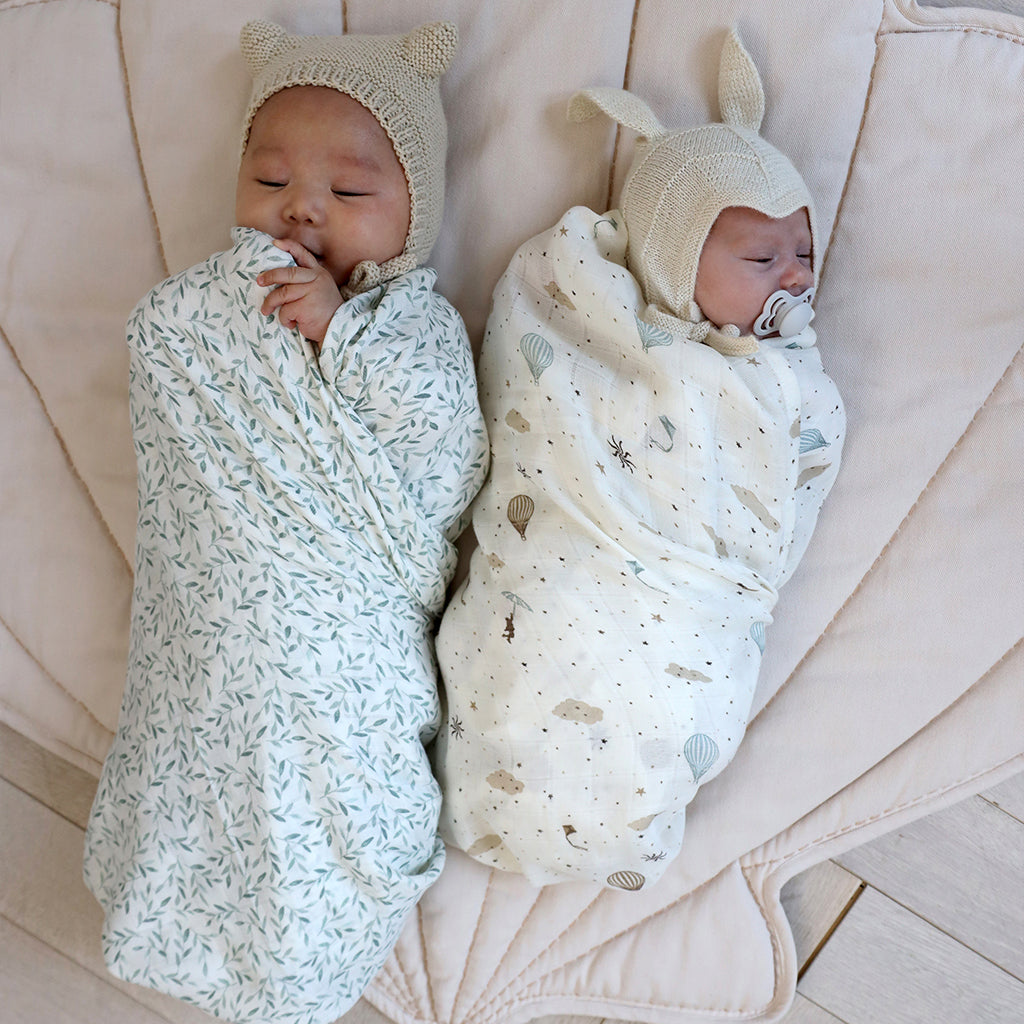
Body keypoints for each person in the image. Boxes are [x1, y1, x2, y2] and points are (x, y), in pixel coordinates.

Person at [83, 20, 488, 1024]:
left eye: (349, 192)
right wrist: (207, 330)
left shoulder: (413, 326)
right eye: (270, 181)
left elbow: (447, 458)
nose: (303, 207)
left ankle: (305, 944)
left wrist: (341, 335)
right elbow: (167, 368)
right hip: (210, 626)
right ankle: (177, 908)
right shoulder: (205, 316)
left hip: (340, 635)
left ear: (413, 212)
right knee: (198, 750)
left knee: (321, 777)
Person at [432, 29, 845, 891]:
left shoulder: (782, 385)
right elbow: (538, 414)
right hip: (570, 577)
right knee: (534, 654)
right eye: (761, 257)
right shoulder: (594, 333)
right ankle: (493, 770)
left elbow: (795, 477)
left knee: (659, 706)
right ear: (673, 257)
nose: (794, 278)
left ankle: (632, 814)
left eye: (805, 254)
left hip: (691, 616)